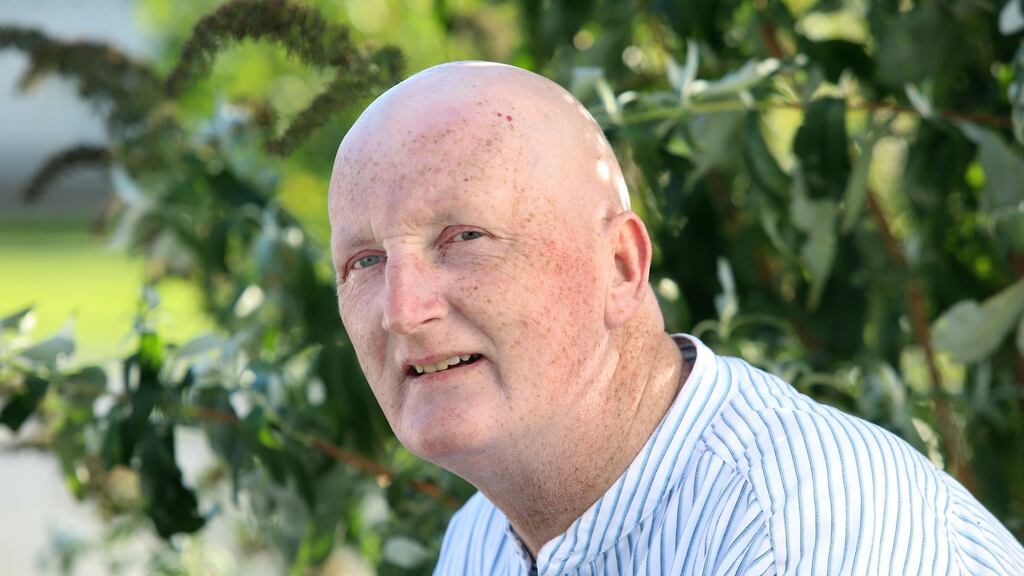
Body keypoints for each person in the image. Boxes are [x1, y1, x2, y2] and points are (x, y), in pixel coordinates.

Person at [327, 62, 1024, 575]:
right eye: (365, 261)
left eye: (465, 237)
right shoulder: (481, 541)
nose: (402, 311)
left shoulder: (798, 535)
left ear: (620, 266)